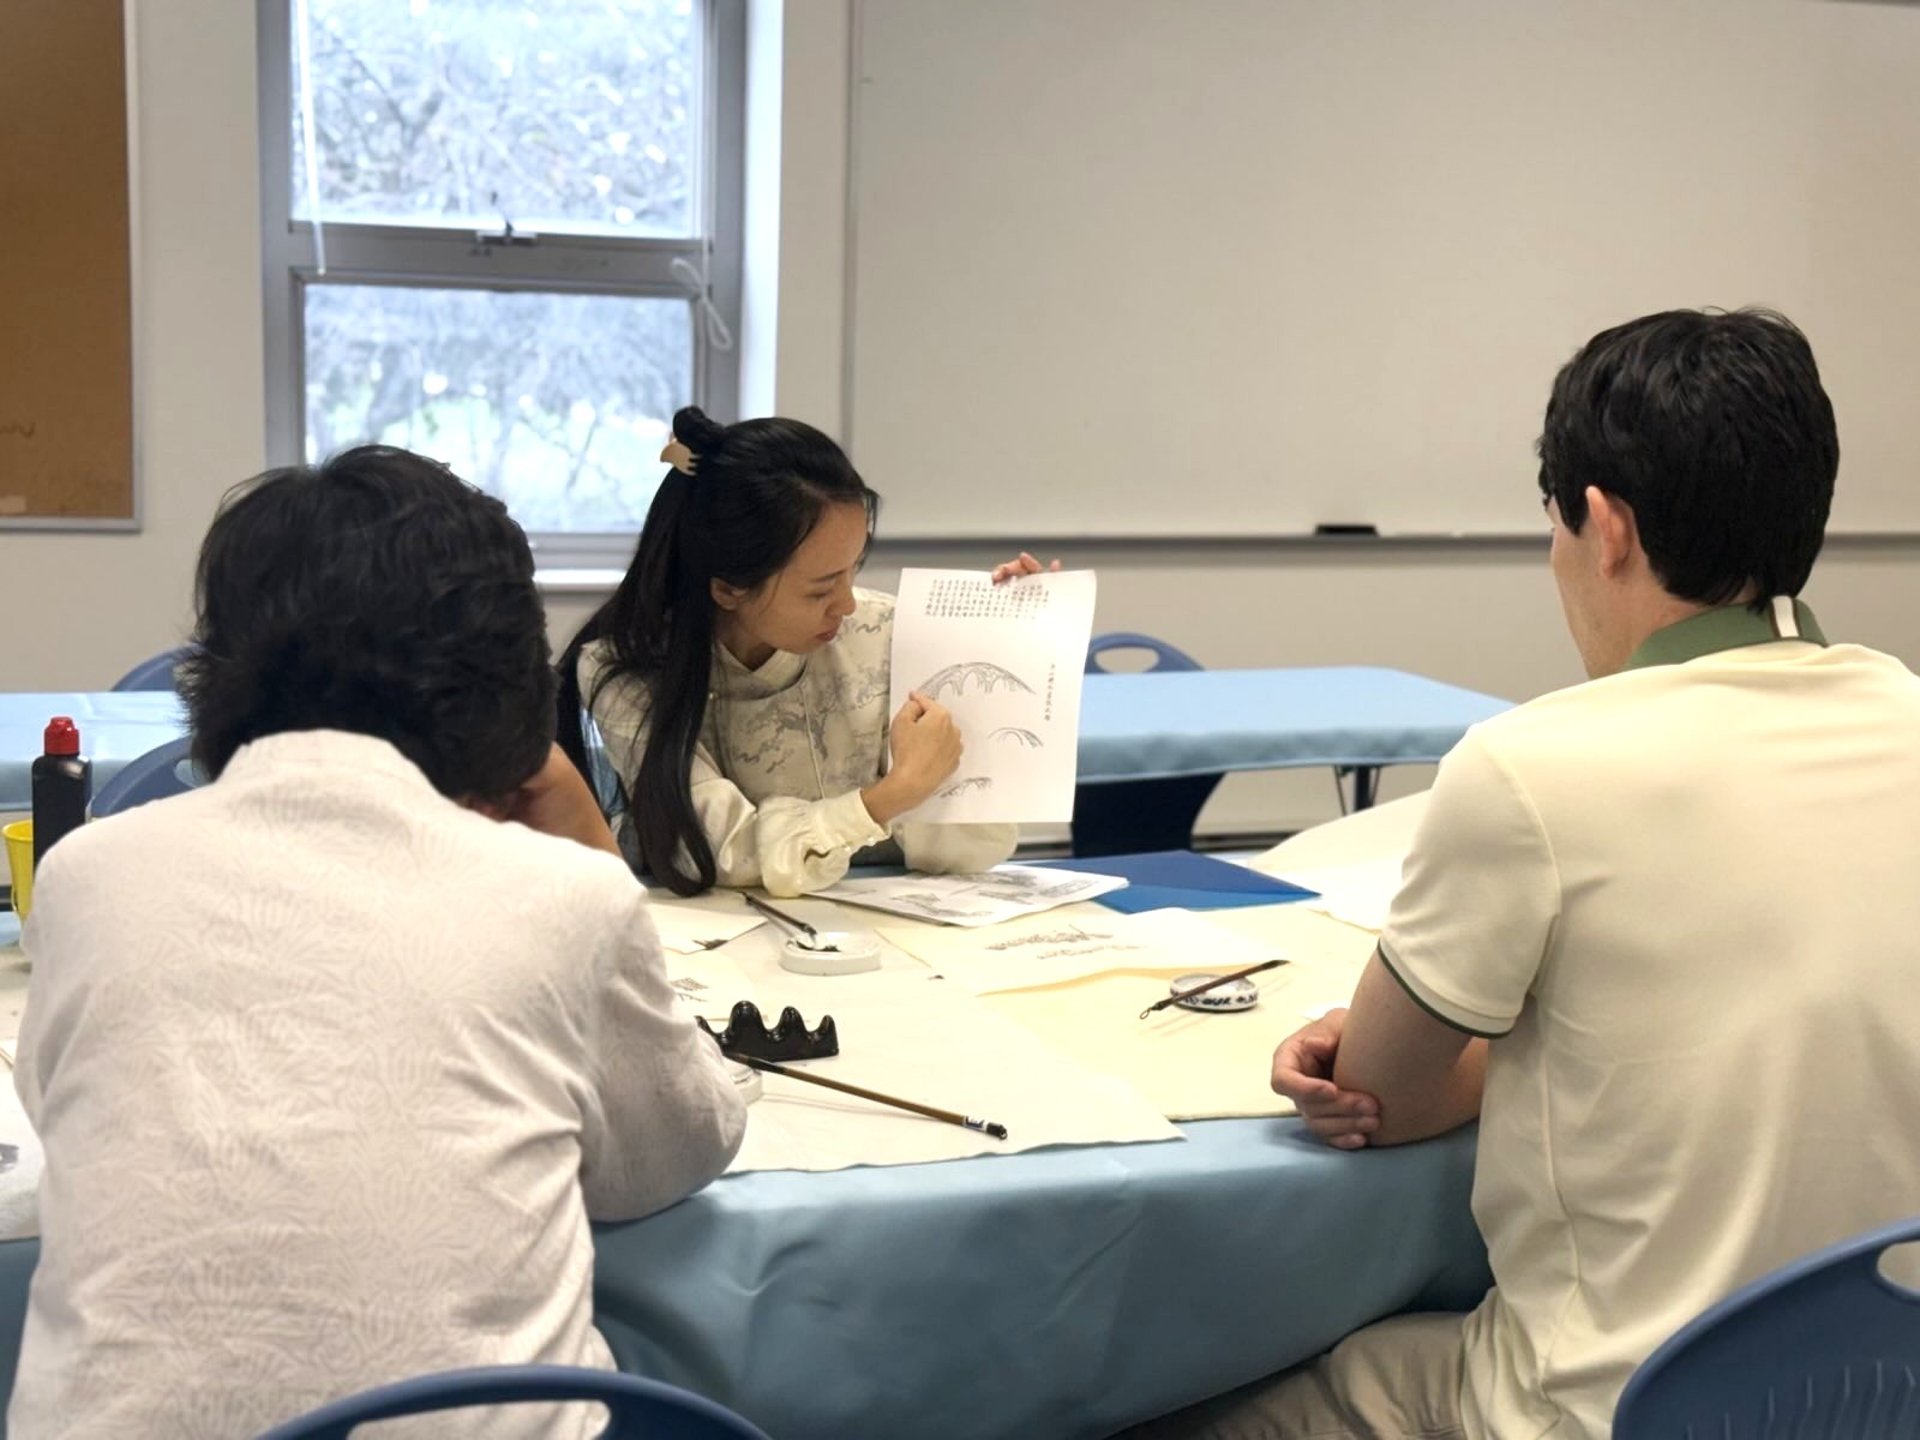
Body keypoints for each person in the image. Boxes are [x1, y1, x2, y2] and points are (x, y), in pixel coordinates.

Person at [1121, 309, 1920, 1440]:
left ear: (1605, 527)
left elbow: (1383, 1102)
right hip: (1880, 1396)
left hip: (1604, 1408)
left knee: (1187, 1407)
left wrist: (1412, 1051)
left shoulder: (1533, 767)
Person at [10, 447, 746, 1440]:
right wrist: (587, 845)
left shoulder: (86, 878)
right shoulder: (565, 896)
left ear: (217, 674)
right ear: (506, 686)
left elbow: (67, 1112)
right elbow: (670, 1154)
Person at [556, 405, 1049, 898]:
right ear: (727, 589)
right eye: (821, 589)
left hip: (886, 924)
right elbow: (720, 849)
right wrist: (892, 795)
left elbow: (974, 852)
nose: (848, 604)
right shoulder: (625, 671)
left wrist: (1002, 646)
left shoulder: (881, 630)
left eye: (854, 569)